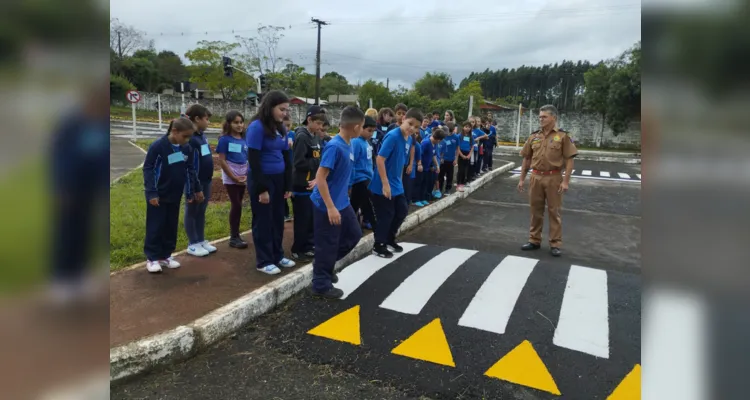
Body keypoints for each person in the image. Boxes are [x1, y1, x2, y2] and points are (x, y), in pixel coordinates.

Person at [310, 106, 365, 299]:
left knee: (354, 234)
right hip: (327, 205)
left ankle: (324, 264)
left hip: (341, 201)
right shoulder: (335, 146)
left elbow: (331, 175)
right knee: (328, 243)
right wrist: (331, 207)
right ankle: (320, 283)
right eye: (363, 127)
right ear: (357, 127)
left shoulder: (348, 143)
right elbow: (321, 176)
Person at [142, 117, 202, 273]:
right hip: (158, 196)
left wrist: (191, 190)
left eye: (189, 137)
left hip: (175, 195)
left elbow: (190, 170)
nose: (187, 140)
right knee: (156, 226)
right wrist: (152, 192)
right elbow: (149, 169)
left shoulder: (186, 148)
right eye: (185, 136)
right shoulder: (158, 147)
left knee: (171, 225)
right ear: (174, 131)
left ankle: (166, 255)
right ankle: (152, 258)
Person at [246, 90, 296, 275]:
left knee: (277, 219)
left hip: (279, 178)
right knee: (263, 220)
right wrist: (262, 189)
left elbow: (285, 155)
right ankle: (264, 260)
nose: (285, 113)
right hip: (262, 179)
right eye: (282, 109)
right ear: (270, 107)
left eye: (286, 110)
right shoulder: (256, 127)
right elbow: (254, 160)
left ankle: (277, 254)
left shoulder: (280, 127)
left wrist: (288, 185)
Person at [517, 105, 577, 257]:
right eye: (540, 116)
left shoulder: (563, 136)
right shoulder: (534, 136)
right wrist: (522, 179)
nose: (540, 119)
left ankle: (555, 243)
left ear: (553, 118)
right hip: (536, 177)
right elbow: (527, 158)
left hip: (554, 177)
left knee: (554, 211)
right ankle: (534, 240)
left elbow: (570, 160)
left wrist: (565, 181)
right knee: (535, 210)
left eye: (544, 117)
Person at [369, 108, 423, 258]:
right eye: (410, 124)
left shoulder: (408, 139)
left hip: (396, 183)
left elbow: (400, 162)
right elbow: (380, 159)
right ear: (403, 119)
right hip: (382, 183)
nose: (412, 128)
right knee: (387, 214)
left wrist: (397, 181)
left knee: (402, 211)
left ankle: (389, 238)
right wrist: (385, 184)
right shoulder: (393, 136)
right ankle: (378, 245)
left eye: (416, 127)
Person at [290, 105, 326, 261]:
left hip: (313, 183)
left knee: (311, 218)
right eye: (318, 123)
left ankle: (308, 245)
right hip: (301, 185)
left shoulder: (315, 136)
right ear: (309, 120)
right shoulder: (302, 137)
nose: (320, 127)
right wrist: (317, 161)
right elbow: (299, 163)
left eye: (321, 124)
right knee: (302, 220)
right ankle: (297, 249)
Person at [183, 104, 216, 257]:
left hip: (206, 179)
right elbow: (189, 165)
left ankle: (201, 239)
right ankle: (193, 243)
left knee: (201, 211)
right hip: (194, 182)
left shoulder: (202, 136)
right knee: (192, 210)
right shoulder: (189, 138)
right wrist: (194, 188)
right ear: (197, 119)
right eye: (206, 119)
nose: (208, 122)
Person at [216, 110, 249, 249]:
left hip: (243, 174)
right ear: (228, 124)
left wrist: (245, 175)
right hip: (231, 175)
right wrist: (233, 177)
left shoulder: (245, 139)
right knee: (236, 204)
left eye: (241, 122)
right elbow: (222, 161)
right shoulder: (224, 140)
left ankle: (236, 235)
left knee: (239, 203)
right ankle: (233, 236)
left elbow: (247, 157)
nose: (239, 125)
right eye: (236, 122)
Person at [350, 116, 377, 230]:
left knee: (356, 206)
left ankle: (352, 227)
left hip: (367, 178)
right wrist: (350, 183)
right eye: (369, 130)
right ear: (360, 128)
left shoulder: (367, 142)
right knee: (364, 205)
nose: (371, 134)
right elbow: (352, 163)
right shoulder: (356, 142)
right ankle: (376, 228)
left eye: (373, 131)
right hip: (359, 179)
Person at [418, 127, 445, 204]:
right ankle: (417, 199)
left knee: (425, 184)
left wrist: (437, 166)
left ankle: (423, 198)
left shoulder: (435, 144)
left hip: (427, 167)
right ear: (438, 139)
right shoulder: (426, 143)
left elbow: (434, 155)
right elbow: (420, 154)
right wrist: (419, 164)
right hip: (422, 167)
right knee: (419, 183)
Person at [438, 121, 459, 193]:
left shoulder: (456, 137)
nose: (449, 133)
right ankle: (439, 188)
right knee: (441, 175)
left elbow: (457, 149)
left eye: (451, 131)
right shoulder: (443, 136)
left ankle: (448, 188)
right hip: (443, 159)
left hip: (451, 159)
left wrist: (456, 159)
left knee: (449, 175)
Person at [456, 120, 474, 192]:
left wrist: (469, 154)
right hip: (461, 153)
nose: (467, 128)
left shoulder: (470, 136)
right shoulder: (459, 136)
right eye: (466, 127)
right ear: (463, 127)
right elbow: (458, 147)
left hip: (467, 154)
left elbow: (472, 146)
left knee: (466, 170)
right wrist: (461, 155)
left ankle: (462, 184)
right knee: (461, 170)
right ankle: (458, 184)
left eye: (469, 127)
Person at [283, 115, 294, 222]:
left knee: (292, 191)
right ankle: (285, 213)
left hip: (292, 166)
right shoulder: (279, 135)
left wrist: (292, 145)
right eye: (285, 125)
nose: (287, 128)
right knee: (284, 192)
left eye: (289, 125)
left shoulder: (293, 134)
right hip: (283, 166)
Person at [408, 128, 423, 206]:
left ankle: (411, 200)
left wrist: (419, 165)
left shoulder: (417, 145)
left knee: (410, 186)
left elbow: (418, 158)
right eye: (415, 133)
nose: (415, 135)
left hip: (412, 169)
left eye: (417, 134)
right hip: (403, 168)